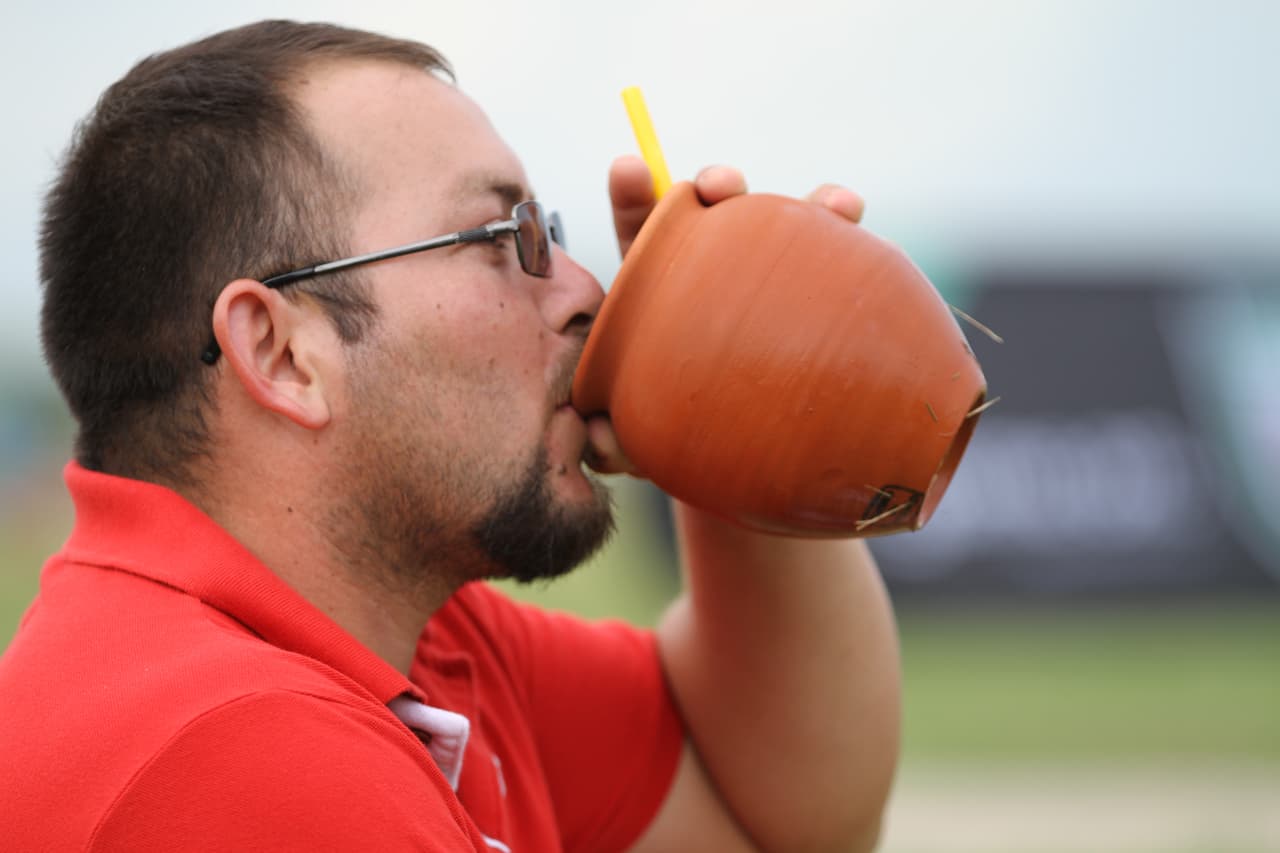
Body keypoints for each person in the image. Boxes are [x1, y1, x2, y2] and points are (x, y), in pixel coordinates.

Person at [0, 19, 900, 852]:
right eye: (500, 237)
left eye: (543, 232)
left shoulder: (416, 640)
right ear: (282, 353)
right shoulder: (243, 753)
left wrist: (728, 400)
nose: (589, 291)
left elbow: (789, 811)